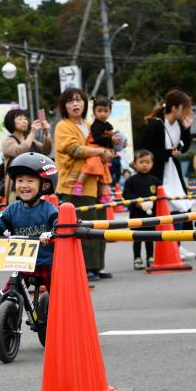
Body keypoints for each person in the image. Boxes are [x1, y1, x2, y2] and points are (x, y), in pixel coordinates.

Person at [54, 88, 113, 281]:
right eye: (70, 101)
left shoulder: (91, 124)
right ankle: (85, 267)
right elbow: (73, 149)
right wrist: (99, 151)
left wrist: (109, 149)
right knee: (83, 227)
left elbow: (107, 145)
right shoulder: (63, 126)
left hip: (97, 181)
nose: (76, 104)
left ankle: (97, 266)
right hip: (74, 184)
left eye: (79, 100)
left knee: (99, 225)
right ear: (64, 106)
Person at [0, 153, 58, 292]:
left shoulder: (48, 208)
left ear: (45, 185)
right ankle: (9, 310)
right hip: (22, 264)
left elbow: (59, 225)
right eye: (20, 181)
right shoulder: (12, 209)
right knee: (7, 293)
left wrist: (51, 234)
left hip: (47, 264)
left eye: (30, 181)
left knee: (58, 296)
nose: (24, 185)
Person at [138, 89, 196, 260]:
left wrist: (186, 129)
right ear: (176, 107)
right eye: (185, 107)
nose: (187, 112)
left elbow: (183, 148)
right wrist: (168, 153)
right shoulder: (155, 125)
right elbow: (144, 150)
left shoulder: (179, 125)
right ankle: (171, 246)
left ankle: (177, 244)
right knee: (168, 208)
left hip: (173, 172)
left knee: (180, 206)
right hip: (160, 173)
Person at [73, 96, 126, 203]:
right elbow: (98, 139)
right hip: (94, 148)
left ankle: (104, 195)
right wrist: (111, 140)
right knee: (91, 165)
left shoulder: (109, 125)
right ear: (94, 112)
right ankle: (78, 184)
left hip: (104, 150)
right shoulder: (95, 125)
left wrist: (116, 146)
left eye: (106, 111)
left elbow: (110, 141)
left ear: (110, 112)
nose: (103, 114)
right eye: (100, 111)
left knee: (105, 173)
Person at [1, 108, 52, 204]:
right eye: (20, 119)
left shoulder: (31, 141)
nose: (24, 121)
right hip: (16, 188)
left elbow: (46, 150)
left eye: (25, 119)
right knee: (17, 215)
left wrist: (46, 132)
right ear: (11, 122)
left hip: (34, 187)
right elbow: (20, 151)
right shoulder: (8, 141)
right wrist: (32, 133)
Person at [122, 150, 161, 270]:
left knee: (150, 238)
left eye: (147, 162)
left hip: (151, 216)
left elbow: (161, 196)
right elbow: (126, 194)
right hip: (136, 214)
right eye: (141, 162)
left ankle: (150, 257)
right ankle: (137, 258)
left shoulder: (155, 180)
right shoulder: (131, 180)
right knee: (137, 238)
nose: (144, 164)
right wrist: (138, 202)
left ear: (152, 164)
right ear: (135, 163)